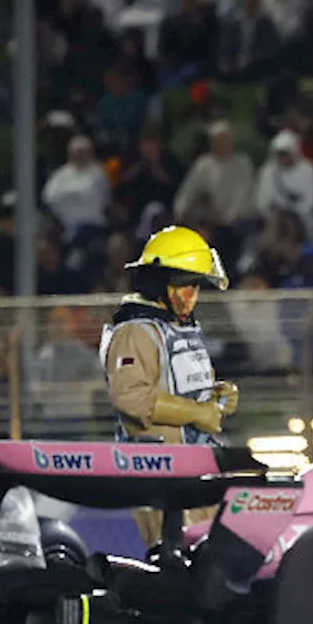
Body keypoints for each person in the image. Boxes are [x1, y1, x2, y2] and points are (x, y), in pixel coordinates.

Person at [99, 224, 240, 547]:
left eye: (196, 285)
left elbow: (175, 382)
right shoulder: (135, 332)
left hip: (196, 466)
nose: (190, 295)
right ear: (158, 282)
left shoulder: (175, 329)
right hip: (158, 472)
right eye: (182, 284)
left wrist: (214, 394)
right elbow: (132, 398)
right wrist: (197, 412)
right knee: (173, 558)